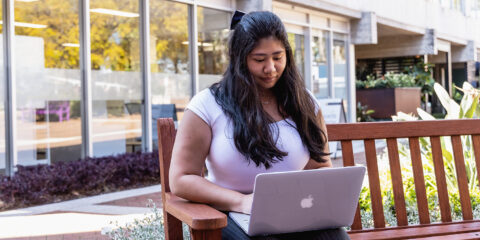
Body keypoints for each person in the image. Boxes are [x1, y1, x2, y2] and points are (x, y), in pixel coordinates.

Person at [169, 10, 351, 240]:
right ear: (239, 59)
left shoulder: (305, 103)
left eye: (278, 57)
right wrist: (242, 201)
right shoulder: (207, 106)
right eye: (259, 59)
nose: (271, 68)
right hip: (231, 212)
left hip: (292, 212)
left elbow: (320, 168)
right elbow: (181, 179)